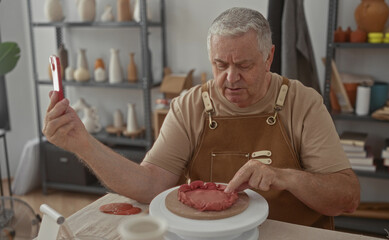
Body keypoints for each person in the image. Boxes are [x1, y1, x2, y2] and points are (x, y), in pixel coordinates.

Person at [43, 7, 360, 229]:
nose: (230, 78)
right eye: (220, 65)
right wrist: (82, 143)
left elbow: (347, 198)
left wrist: (284, 177)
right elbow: (150, 185)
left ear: (269, 57)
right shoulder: (190, 106)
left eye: (244, 66)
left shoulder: (302, 103)